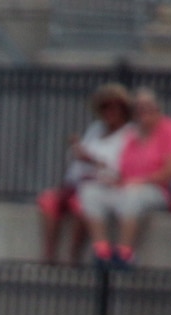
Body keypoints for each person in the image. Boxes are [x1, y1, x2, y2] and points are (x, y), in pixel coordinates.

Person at [78, 87, 171, 269]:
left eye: (147, 107)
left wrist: (141, 181)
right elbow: (124, 171)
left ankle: (125, 253)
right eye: (139, 108)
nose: (143, 112)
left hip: (161, 191)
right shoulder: (132, 135)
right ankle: (102, 251)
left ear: (157, 109)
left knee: (133, 195)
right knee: (90, 192)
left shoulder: (170, 130)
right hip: (128, 187)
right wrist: (113, 180)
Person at [37, 84, 133, 266]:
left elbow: (119, 168)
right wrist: (77, 151)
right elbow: (78, 160)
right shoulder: (96, 129)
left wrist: (91, 160)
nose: (109, 112)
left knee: (82, 206)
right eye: (105, 107)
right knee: (48, 201)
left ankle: (74, 257)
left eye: (114, 107)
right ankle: (49, 256)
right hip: (76, 183)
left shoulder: (129, 134)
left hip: (102, 187)